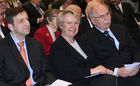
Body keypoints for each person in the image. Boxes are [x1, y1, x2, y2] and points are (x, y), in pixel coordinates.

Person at [49, 10, 116, 86]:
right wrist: (92, 71)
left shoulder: (82, 41)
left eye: (76, 23)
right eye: (69, 23)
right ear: (61, 25)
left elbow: (94, 61)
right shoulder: (57, 47)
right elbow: (67, 73)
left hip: (93, 79)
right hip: (75, 82)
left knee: (112, 77)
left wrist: (105, 70)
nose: (73, 26)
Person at [82, 1, 140, 86]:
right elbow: (94, 63)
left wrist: (137, 63)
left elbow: (135, 49)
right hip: (114, 77)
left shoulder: (120, 28)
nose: (106, 18)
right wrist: (116, 71)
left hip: (135, 69)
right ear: (93, 21)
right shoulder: (87, 38)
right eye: (102, 16)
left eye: (107, 14)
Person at [0, 7, 53, 86]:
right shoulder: (2, 48)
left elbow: (47, 71)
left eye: (27, 19)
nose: (27, 23)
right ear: (11, 26)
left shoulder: (36, 45)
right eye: (21, 21)